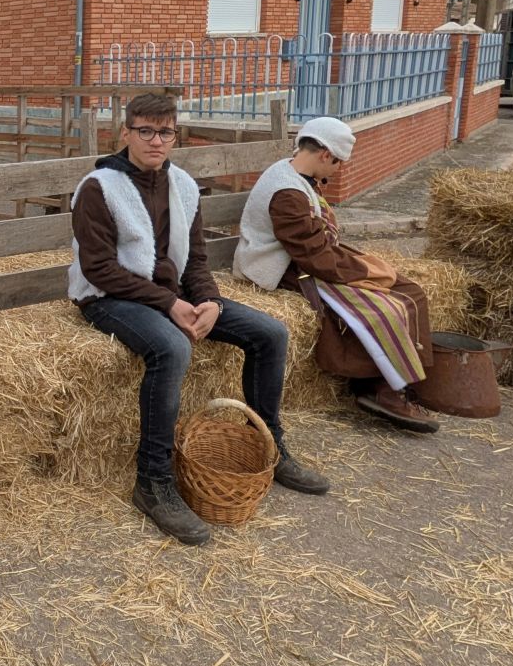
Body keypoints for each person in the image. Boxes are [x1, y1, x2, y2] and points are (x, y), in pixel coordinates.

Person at [71, 92, 330, 547]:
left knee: (271, 332)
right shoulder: (99, 188)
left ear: (176, 135)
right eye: (145, 130)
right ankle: (152, 482)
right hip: (109, 297)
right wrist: (169, 305)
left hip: (169, 296)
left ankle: (269, 444)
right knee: (172, 348)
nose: (156, 140)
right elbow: (99, 269)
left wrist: (208, 300)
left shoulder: (184, 187)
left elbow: (195, 262)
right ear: (126, 133)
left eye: (165, 131)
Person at [234, 118, 439, 434]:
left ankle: (398, 380)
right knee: (382, 304)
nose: (338, 170)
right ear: (325, 155)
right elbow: (314, 257)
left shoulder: (295, 173)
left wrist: (366, 268)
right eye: (338, 162)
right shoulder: (286, 191)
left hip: (306, 257)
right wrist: (367, 271)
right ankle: (381, 389)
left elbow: (316, 245)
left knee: (410, 290)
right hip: (284, 268)